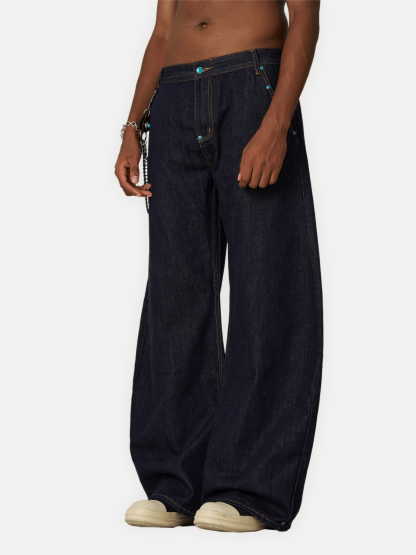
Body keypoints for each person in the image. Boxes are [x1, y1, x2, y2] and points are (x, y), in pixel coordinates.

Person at [115, 0, 323, 533]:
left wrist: (277, 120)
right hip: (174, 97)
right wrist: (133, 126)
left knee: (267, 286)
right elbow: (163, 30)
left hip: (252, 85)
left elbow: (304, 16)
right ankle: (175, 484)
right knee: (175, 295)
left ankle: (250, 488)